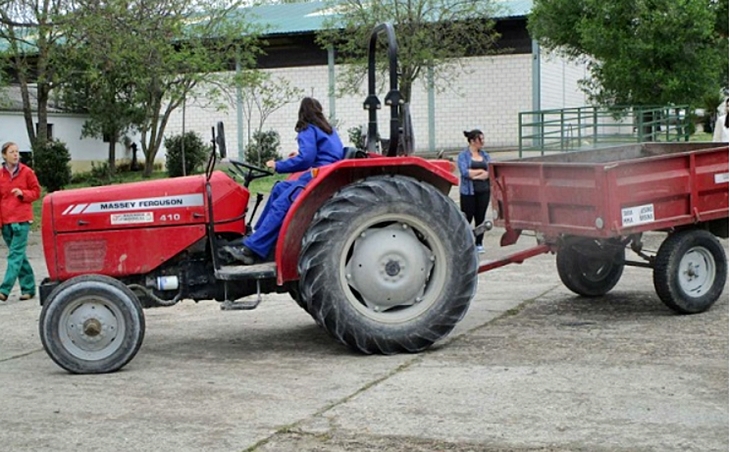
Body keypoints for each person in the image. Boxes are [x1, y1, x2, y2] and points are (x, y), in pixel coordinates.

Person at [224, 97, 344, 265]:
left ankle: (252, 249)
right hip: (323, 175)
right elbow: (326, 153)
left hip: (316, 176)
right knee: (280, 188)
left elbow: (306, 159)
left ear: (302, 113)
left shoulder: (308, 128)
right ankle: (260, 236)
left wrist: (278, 165)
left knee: (281, 204)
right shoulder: (329, 130)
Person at [0, 141, 41, 301]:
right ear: (4, 155)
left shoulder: (27, 172)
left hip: (22, 220)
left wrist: (23, 193)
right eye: (12, 152)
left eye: (17, 152)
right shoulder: (1, 175)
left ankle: (4, 290)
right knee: (19, 257)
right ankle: (29, 289)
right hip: (6, 222)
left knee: (14, 256)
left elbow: (36, 192)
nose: (16, 154)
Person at [457, 129, 491, 254]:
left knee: (480, 217)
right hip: (468, 192)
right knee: (467, 217)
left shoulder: (485, 155)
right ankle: (464, 242)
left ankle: (479, 243)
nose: (482, 142)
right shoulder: (463, 156)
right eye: (479, 139)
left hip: (484, 191)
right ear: (472, 141)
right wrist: (481, 173)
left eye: (483, 139)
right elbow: (465, 172)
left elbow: (491, 171)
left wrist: (476, 174)